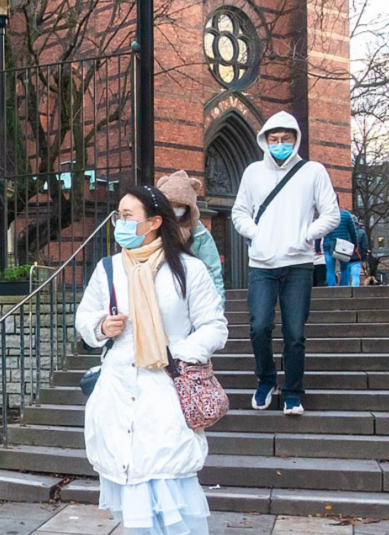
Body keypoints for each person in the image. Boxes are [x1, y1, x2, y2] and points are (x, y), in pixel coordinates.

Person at [76, 186, 228, 535]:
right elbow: (85, 317)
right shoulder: (109, 269)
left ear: (155, 222)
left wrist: (177, 354)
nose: (120, 222)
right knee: (133, 482)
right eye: (119, 215)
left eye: (128, 216)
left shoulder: (188, 269)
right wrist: (101, 326)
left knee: (166, 478)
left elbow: (214, 326)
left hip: (166, 388)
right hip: (119, 388)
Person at [231, 111, 340, 416]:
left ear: (296, 139)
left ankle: (293, 391)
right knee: (259, 326)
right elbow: (239, 212)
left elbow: (331, 213)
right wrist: (256, 234)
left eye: (286, 139)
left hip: (298, 264)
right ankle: (266, 380)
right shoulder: (253, 172)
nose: (279, 144)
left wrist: (306, 234)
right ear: (264, 141)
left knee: (294, 333)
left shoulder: (313, 171)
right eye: (274, 139)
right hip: (262, 264)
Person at [156, 170, 225, 303]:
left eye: (179, 205)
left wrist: (218, 304)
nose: (174, 209)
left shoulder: (200, 235)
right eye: (170, 204)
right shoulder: (153, 229)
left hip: (194, 298)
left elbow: (213, 272)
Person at [322, 209, 362, 287]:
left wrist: (317, 247)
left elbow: (321, 230)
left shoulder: (325, 214)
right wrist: (355, 246)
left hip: (328, 245)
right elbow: (352, 231)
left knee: (330, 270)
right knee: (344, 268)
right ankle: (344, 288)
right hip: (343, 246)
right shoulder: (346, 214)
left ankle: (332, 289)